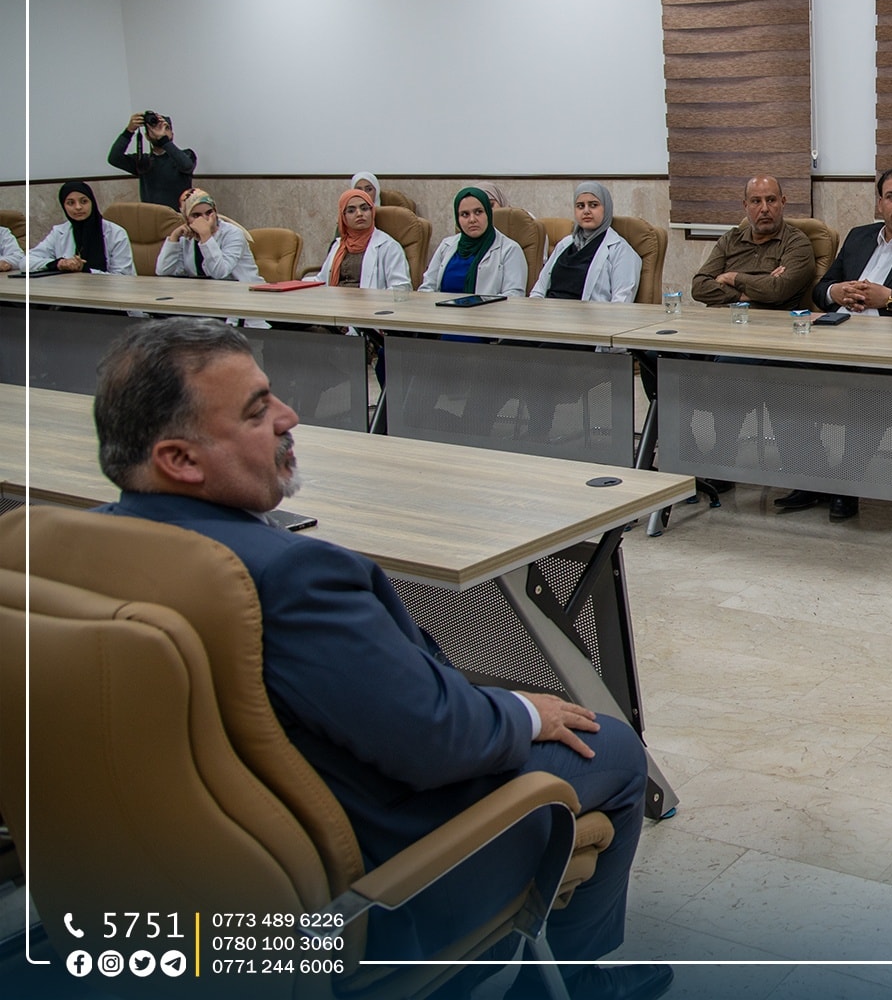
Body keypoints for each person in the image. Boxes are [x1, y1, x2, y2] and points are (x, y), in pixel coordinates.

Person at [89, 317, 672, 1000]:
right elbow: (439, 740)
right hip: (382, 858)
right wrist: (521, 711)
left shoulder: (85, 544)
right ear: (180, 460)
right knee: (615, 748)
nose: (288, 416)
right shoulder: (290, 578)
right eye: (256, 411)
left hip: (200, 855)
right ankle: (573, 980)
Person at [775, 167, 892, 521]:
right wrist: (836, 292)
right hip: (838, 340)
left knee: (867, 390)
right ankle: (812, 475)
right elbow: (820, 289)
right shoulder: (859, 237)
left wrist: (889, 298)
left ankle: (848, 484)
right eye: (891, 197)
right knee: (780, 376)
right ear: (880, 203)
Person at [690, 176, 817, 312]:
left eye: (771, 200)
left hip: (765, 321)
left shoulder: (797, 243)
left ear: (783, 202)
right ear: (746, 206)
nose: (764, 209)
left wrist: (730, 277)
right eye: (756, 201)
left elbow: (777, 290)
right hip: (718, 318)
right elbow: (699, 287)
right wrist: (743, 295)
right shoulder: (730, 239)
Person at [530, 182, 640, 303]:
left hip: (591, 315)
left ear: (606, 208)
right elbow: (539, 290)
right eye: (580, 206)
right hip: (550, 312)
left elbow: (621, 303)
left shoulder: (621, 251)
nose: (586, 211)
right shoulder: (565, 244)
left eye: (593, 205)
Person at [421, 187, 528, 296]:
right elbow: (427, 287)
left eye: (478, 212)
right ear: (457, 219)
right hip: (441, 306)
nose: (472, 219)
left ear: (488, 213)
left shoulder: (510, 250)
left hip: (488, 307)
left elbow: (514, 295)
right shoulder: (446, 245)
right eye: (465, 214)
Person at [305, 188, 410, 290]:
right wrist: (300, 285)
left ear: (372, 212)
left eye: (364, 209)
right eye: (351, 211)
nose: (359, 214)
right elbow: (322, 280)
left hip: (370, 301)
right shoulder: (338, 245)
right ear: (343, 217)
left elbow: (401, 287)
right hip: (335, 300)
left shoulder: (389, 246)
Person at [27, 180, 135, 275]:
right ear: (64, 207)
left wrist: (85, 269)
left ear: (92, 202)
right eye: (71, 203)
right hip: (68, 289)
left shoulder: (115, 233)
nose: (78, 207)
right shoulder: (59, 232)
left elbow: (123, 277)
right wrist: (59, 263)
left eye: (84, 201)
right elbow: (26, 262)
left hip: (108, 290)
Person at [155, 189, 261, 283]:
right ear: (186, 218)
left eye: (209, 212)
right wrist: (174, 237)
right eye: (196, 215)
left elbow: (219, 273)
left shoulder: (233, 234)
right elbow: (163, 271)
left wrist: (206, 236)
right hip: (204, 292)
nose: (204, 219)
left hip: (242, 291)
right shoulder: (186, 236)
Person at [108, 110, 196, 205]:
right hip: (151, 213)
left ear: (172, 134)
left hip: (178, 213)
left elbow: (186, 166)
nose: (160, 131)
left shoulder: (187, 154)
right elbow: (114, 158)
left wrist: (163, 140)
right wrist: (129, 131)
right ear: (147, 136)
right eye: (154, 127)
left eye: (166, 128)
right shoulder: (143, 161)